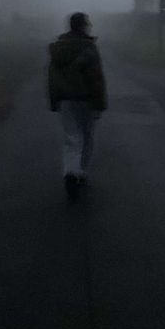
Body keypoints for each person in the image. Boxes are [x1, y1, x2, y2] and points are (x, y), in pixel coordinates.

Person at [48, 13, 108, 200]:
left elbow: (52, 78)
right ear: (82, 26)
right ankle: (80, 172)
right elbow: (96, 78)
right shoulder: (89, 48)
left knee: (71, 137)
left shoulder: (59, 49)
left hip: (65, 99)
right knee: (87, 137)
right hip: (85, 99)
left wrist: (54, 100)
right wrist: (100, 104)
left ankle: (71, 172)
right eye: (87, 25)